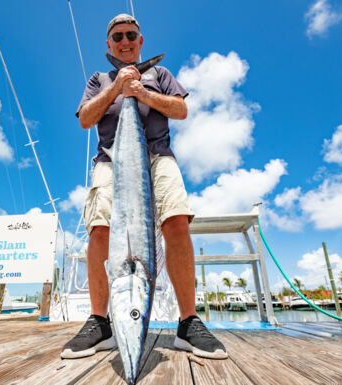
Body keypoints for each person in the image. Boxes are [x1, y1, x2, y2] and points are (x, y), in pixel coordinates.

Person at [61, 14, 227, 360]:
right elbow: (86, 119)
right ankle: (100, 323)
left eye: (131, 36)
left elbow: (180, 109)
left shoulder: (160, 75)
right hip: (112, 160)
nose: (125, 42)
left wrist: (140, 93)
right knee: (100, 230)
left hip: (157, 156)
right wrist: (116, 88)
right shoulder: (98, 79)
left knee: (177, 222)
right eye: (118, 37)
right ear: (109, 45)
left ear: (140, 41)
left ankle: (188, 323)